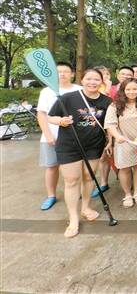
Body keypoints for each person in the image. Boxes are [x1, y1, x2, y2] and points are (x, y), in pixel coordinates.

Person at [48, 68, 112, 238]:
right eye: (88, 79)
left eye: (96, 79)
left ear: (102, 82)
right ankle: (73, 218)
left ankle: (85, 207)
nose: (92, 82)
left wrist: (110, 140)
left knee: (89, 177)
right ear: (82, 80)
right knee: (71, 181)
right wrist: (61, 121)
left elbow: (109, 123)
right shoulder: (68, 98)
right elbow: (50, 116)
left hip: (94, 145)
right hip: (69, 145)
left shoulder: (107, 101)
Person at [36, 62, 81, 210]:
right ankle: (51, 196)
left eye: (65, 71)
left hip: (75, 136)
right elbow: (41, 114)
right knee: (52, 167)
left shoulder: (79, 89)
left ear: (72, 74)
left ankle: (78, 191)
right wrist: (48, 135)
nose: (62, 74)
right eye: (58, 72)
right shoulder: (46, 91)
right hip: (52, 136)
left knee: (77, 166)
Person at [105, 78, 137, 208]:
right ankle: (127, 194)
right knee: (124, 169)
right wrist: (117, 136)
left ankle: (136, 192)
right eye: (128, 89)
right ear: (123, 90)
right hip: (123, 142)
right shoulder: (114, 106)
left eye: (135, 89)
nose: (132, 92)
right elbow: (110, 125)